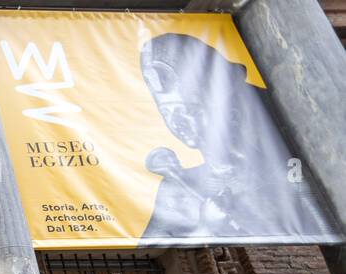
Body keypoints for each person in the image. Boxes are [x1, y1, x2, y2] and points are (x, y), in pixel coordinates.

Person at [139, 33, 337, 242]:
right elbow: (144, 254)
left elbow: (322, 228)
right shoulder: (177, 189)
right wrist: (206, 228)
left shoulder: (287, 167)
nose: (179, 123)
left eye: (192, 109)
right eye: (167, 112)